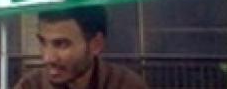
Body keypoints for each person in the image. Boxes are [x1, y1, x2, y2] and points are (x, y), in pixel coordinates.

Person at [14, 5, 148, 89]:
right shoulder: (31, 85)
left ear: (96, 44)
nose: (48, 58)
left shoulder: (125, 84)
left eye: (61, 44)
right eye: (43, 43)